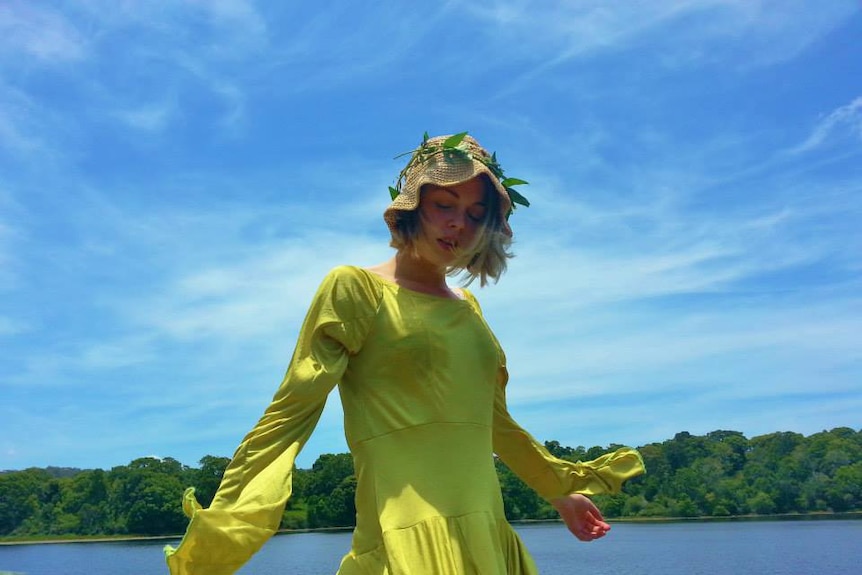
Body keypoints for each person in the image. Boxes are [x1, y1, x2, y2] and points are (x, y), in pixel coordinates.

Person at [164, 133, 645, 574]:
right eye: (444, 204)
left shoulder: (470, 309)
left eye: (477, 214)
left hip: (485, 531)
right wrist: (226, 525)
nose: (459, 222)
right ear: (413, 206)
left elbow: (494, 421)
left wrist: (559, 491)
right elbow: (292, 410)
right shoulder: (354, 288)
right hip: (406, 536)